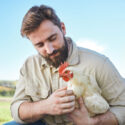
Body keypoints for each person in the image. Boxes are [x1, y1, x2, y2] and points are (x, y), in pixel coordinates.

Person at [9, 4, 125, 125]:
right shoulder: (29, 66)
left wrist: (93, 122)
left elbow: (123, 106)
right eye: (40, 45)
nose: (49, 50)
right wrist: (44, 106)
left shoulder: (99, 63)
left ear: (63, 28)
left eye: (52, 38)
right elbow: (16, 108)